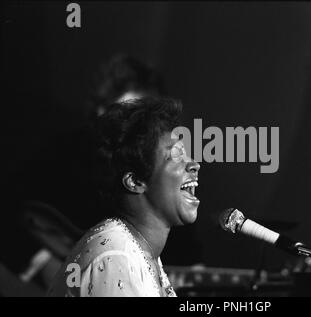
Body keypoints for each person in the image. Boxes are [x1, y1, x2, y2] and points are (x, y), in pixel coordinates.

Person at [48, 97, 200, 297]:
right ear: (135, 181)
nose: (194, 165)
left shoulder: (136, 250)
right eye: (175, 156)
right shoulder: (116, 258)